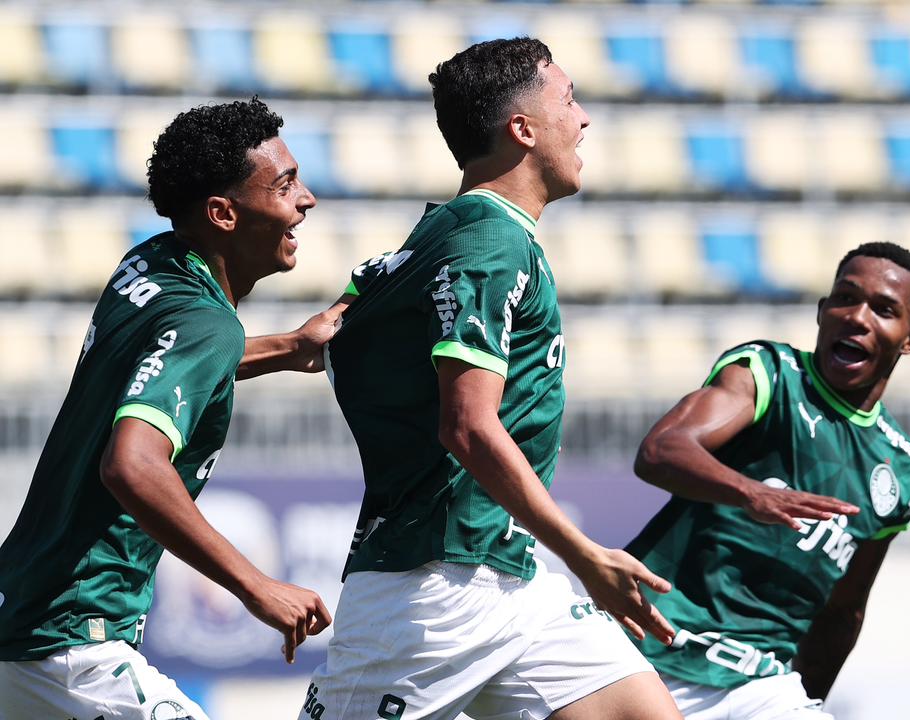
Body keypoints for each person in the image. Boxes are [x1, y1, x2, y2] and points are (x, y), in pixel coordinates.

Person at [299, 38, 682, 720]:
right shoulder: (486, 241)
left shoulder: (440, 235)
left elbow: (333, 333)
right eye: (568, 100)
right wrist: (587, 554)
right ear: (524, 129)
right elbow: (467, 426)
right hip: (430, 589)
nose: (584, 118)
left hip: (510, 574)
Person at [0, 98, 332, 720]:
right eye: (285, 185)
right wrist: (257, 586)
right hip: (73, 641)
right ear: (222, 214)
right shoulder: (208, 322)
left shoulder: (149, 263)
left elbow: (165, 359)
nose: (306, 199)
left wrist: (288, 347)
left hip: (23, 612)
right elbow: (131, 466)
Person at [625, 242, 910, 719]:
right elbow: (661, 451)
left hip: (759, 685)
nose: (857, 317)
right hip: (650, 648)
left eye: (884, 309)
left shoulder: (903, 470)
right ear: (822, 310)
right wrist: (751, 493)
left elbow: (844, 611)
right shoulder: (770, 372)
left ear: (909, 339)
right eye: (845, 298)